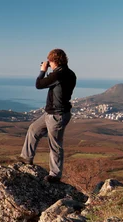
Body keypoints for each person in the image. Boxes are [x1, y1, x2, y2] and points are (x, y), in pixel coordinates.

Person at [19, 48, 77, 183]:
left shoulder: (58, 74)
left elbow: (39, 84)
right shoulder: (69, 73)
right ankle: (26, 157)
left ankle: (55, 175)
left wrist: (42, 71)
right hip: (52, 113)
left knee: (55, 144)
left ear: (54, 61)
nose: (48, 63)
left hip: (57, 114)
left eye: (49, 61)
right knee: (33, 129)